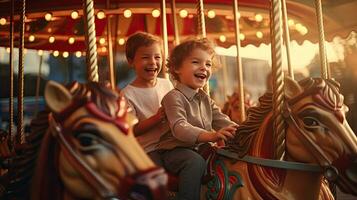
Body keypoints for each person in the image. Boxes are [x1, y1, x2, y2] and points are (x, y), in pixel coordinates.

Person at [157, 38, 237, 200]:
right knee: (195, 163)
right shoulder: (173, 97)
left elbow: (222, 119)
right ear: (177, 68)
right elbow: (180, 128)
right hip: (175, 152)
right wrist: (211, 135)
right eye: (196, 62)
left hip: (201, 149)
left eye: (208, 64)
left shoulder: (205, 98)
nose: (203, 68)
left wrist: (246, 131)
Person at [121, 32, 173, 165]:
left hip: (172, 144)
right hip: (149, 149)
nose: (153, 62)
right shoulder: (127, 94)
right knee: (158, 174)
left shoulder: (166, 84)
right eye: (145, 57)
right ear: (131, 61)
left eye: (157, 57)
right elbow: (132, 130)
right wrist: (157, 118)